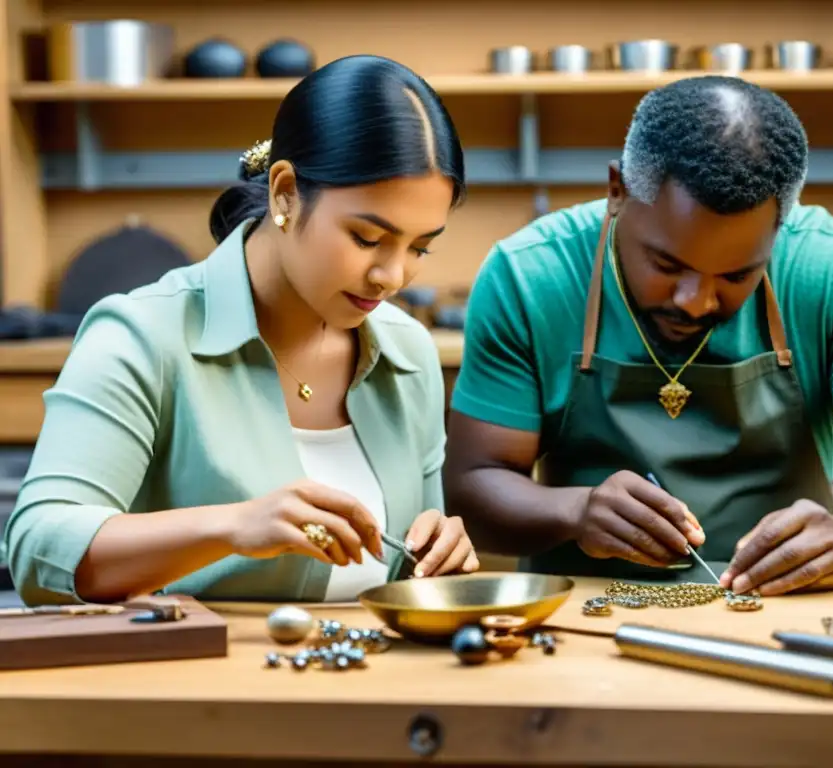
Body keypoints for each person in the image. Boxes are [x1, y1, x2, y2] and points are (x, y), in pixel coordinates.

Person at [444, 75, 833, 596]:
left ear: (781, 228)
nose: (695, 300)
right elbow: (473, 489)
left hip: (787, 609)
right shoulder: (532, 276)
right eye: (665, 263)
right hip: (584, 614)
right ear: (617, 191)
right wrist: (575, 511)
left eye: (736, 275)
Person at [6, 55, 480, 606]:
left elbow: (407, 570)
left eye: (420, 247)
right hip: (196, 686)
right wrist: (231, 527)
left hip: (372, 681)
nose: (392, 276)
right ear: (284, 193)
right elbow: (37, 550)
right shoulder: (143, 337)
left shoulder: (409, 353)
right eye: (367, 238)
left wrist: (440, 553)